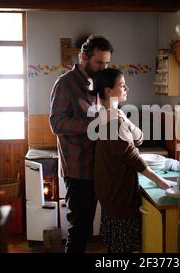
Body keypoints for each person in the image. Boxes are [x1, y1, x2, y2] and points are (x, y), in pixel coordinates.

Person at [91, 68, 172, 253]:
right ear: (108, 91)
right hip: (118, 193)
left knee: (116, 247)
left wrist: (126, 121)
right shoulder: (112, 120)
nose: (127, 87)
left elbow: (140, 138)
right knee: (122, 249)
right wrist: (158, 180)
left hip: (110, 191)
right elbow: (131, 155)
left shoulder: (107, 114)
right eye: (121, 84)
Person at [49, 35, 113, 253]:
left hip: (94, 168)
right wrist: (93, 124)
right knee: (79, 229)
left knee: (84, 228)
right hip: (76, 169)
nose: (103, 68)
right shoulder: (65, 83)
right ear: (84, 57)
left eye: (107, 63)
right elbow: (56, 124)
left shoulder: (95, 84)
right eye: (99, 62)